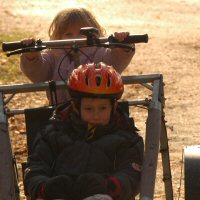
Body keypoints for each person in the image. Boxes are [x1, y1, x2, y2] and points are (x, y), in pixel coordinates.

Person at [24, 62, 144, 200]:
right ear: (75, 106)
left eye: (103, 108)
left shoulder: (127, 139)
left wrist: (110, 186)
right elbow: (35, 168)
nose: (96, 115)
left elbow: (132, 175)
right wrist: (45, 187)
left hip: (105, 195)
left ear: (114, 106)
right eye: (88, 109)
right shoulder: (53, 134)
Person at [20, 7, 135, 105]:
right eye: (68, 34)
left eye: (82, 33)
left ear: (93, 33)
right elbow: (39, 74)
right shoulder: (54, 55)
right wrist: (32, 56)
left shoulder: (99, 52)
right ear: (59, 37)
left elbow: (114, 61)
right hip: (60, 114)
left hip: (97, 113)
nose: (75, 39)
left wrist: (123, 46)